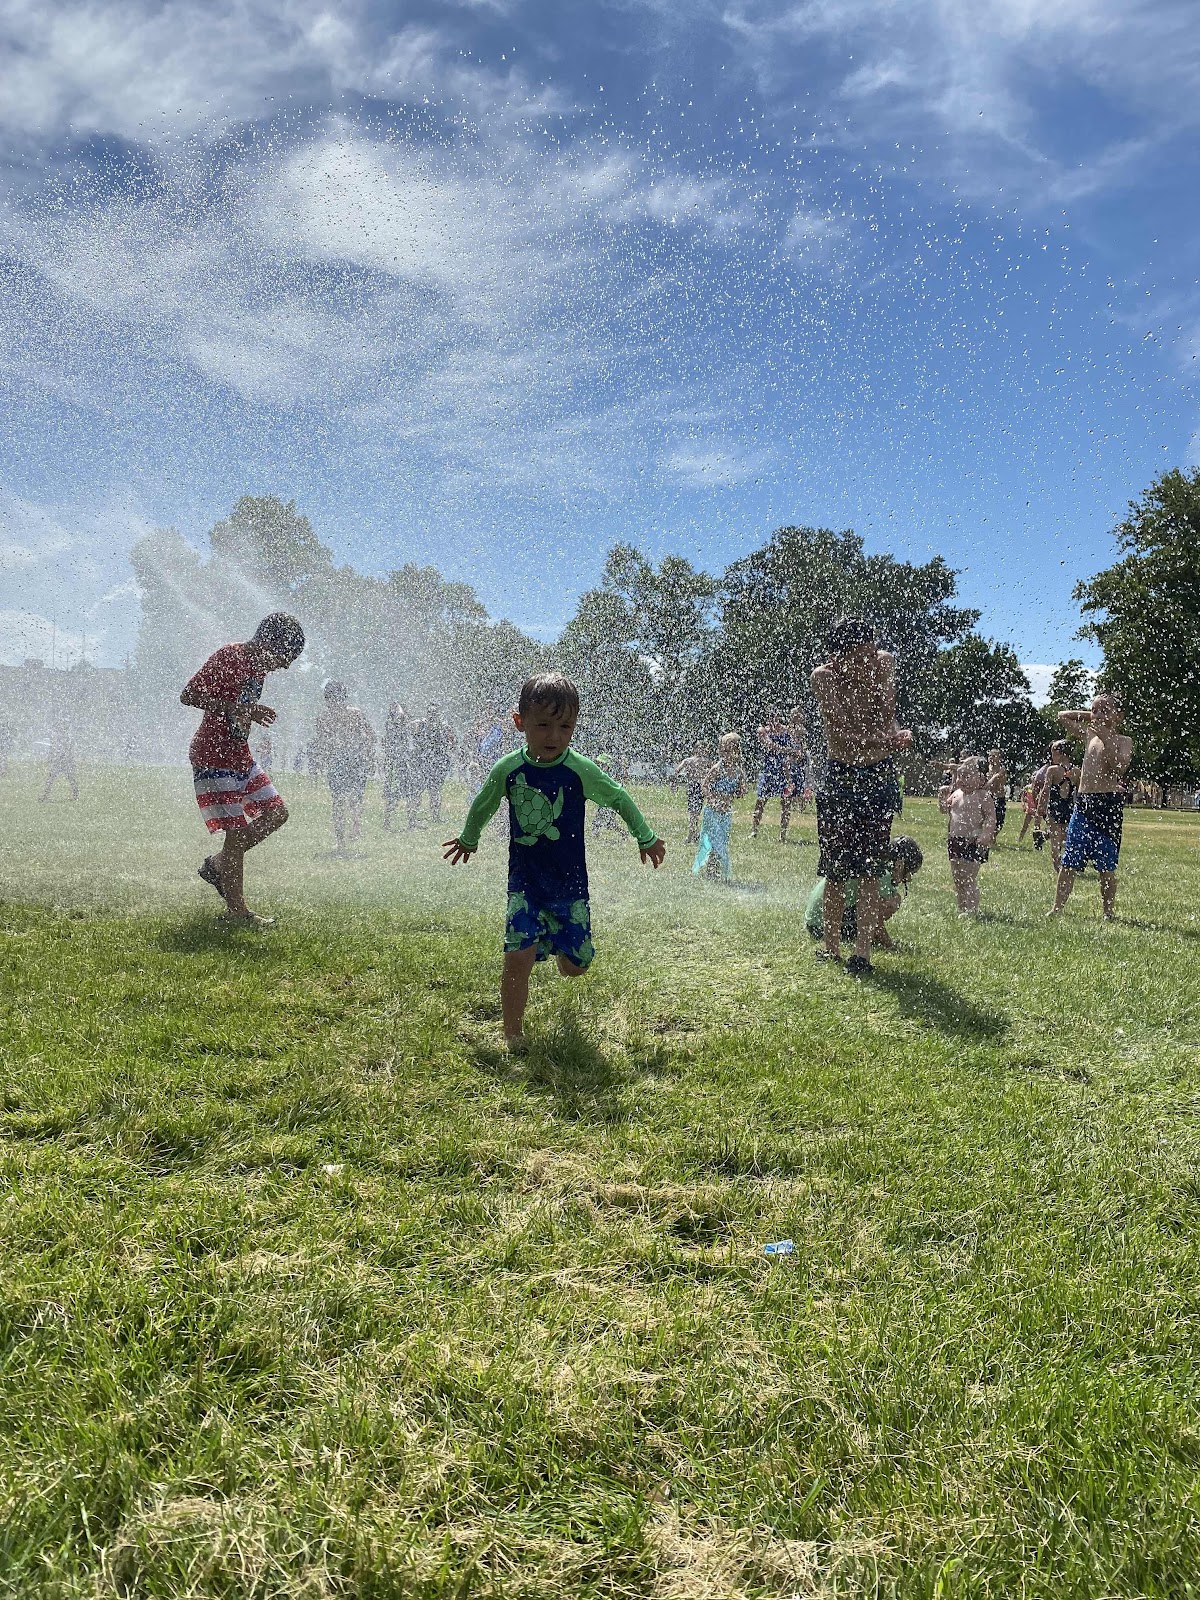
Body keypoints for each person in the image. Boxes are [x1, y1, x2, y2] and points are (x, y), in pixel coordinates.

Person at [442, 673, 665, 1051]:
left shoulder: (579, 769)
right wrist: (469, 838)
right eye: (543, 725)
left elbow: (618, 797)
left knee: (576, 968)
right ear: (520, 722)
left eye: (565, 727)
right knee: (517, 959)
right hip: (525, 884)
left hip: (569, 886)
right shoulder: (508, 769)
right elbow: (484, 803)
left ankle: (561, 947)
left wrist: (644, 836)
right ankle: (513, 1034)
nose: (554, 736)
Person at [181, 612, 304, 925]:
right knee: (235, 835)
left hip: (239, 755)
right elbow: (189, 695)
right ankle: (238, 913)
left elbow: (240, 708)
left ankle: (219, 864)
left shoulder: (257, 667)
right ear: (268, 643)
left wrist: (247, 713)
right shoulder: (229, 656)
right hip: (213, 757)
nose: (284, 666)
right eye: (284, 657)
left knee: (277, 813)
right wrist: (240, 709)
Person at [810, 617, 912, 975]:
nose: (867, 662)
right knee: (836, 868)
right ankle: (831, 947)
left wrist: (896, 733)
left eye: (871, 654)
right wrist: (886, 740)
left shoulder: (883, 664)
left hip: (879, 777)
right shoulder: (823, 677)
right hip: (841, 776)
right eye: (858, 657)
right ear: (837, 656)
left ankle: (862, 953)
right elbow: (841, 731)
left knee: (872, 868)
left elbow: (887, 715)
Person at [1048, 694, 1133, 922]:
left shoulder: (1123, 740)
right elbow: (1062, 716)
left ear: (1119, 716)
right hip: (1084, 803)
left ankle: (1108, 912)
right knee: (1069, 861)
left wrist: (1107, 732)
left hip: (1108, 806)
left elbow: (1119, 767)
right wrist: (1094, 717)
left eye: (1105, 710)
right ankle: (1057, 908)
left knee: (1106, 866)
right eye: (1095, 709)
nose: (1098, 714)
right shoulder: (1089, 735)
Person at [805, 836, 923, 951]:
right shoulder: (883, 875)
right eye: (910, 872)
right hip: (821, 928)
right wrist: (889, 945)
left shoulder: (874, 865)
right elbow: (875, 918)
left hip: (815, 924)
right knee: (893, 901)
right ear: (899, 865)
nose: (909, 879)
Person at [313, 681, 377, 855]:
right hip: (351, 760)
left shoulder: (327, 717)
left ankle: (347, 834)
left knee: (343, 801)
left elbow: (322, 743)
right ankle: (350, 832)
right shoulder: (353, 714)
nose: (333, 703)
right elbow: (371, 737)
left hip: (347, 760)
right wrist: (369, 756)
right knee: (346, 799)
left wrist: (322, 758)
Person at [939, 756, 997, 915]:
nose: (961, 780)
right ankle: (962, 908)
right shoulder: (956, 794)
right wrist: (942, 797)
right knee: (958, 878)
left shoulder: (983, 796)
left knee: (968, 877)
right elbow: (944, 810)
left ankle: (972, 910)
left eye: (966, 776)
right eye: (959, 775)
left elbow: (991, 817)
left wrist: (986, 834)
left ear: (981, 779)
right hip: (955, 841)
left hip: (974, 841)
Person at [692, 734, 747, 881]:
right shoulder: (718, 768)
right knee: (714, 842)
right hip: (712, 812)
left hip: (726, 814)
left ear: (737, 752)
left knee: (721, 842)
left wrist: (740, 791)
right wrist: (713, 801)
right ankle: (712, 871)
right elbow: (705, 786)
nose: (725, 755)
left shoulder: (738, 772)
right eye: (723, 751)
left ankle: (713, 869)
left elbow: (742, 789)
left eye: (729, 751)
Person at [751, 709, 798, 843]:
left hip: (784, 771)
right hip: (768, 770)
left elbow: (796, 746)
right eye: (770, 717)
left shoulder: (787, 730)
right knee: (761, 801)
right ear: (767, 718)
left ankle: (783, 835)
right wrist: (788, 750)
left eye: (775, 716)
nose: (773, 719)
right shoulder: (762, 730)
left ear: (779, 717)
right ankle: (754, 830)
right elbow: (769, 745)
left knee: (786, 802)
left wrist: (792, 755)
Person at [413, 704, 455, 824]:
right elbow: (415, 740)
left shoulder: (442, 727)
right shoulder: (422, 725)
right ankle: (414, 816)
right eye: (431, 713)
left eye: (434, 713)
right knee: (419, 791)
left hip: (437, 763)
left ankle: (435, 816)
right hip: (424, 762)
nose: (432, 716)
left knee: (435, 791)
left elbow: (451, 742)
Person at [381, 703, 418, 832]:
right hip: (397, 765)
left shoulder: (399, 726)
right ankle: (388, 822)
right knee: (395, 795)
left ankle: (410, 822)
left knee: (410, 795)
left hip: (402, 765)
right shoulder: (393, 726)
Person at [1042, 740, 1076, 871]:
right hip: (1069, 807)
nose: (1051, 756)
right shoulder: (1077, 771)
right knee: (1066, 836)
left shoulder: (1052, 770)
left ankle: (1057, 865)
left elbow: (1045, 790)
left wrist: (1041, 807)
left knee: (1054, 838)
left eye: (1053, 752)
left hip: (1055, 807)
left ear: (1061, 753)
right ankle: (1068, 862)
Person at [673, 743, 709, 845]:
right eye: (701, 748)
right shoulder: (692, 761)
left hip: (697, 787)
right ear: (696, 749)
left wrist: (674, 782)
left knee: (694, 813)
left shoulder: (698, 761)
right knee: (694, 813)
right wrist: (674, 782)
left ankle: (693, 835)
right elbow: (676, 771)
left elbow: (676, 771)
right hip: (695, 787)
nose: (702, 751)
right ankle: (692, 835)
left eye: (703, 749)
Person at [39, 723, 79, 802]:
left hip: (64, 762)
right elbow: (54, 749)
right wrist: (51, 757)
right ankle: (45, 796)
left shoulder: (66, 739)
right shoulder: (58, 738)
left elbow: (67, 750)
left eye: (58, 729)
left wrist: (65, 759)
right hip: (61, 762)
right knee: (52, 779)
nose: (57, 731)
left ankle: (75, 795)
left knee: (68, 779)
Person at [987, 750, 1008, 838]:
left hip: (999, 798)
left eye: (994, 756)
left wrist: (989, 782)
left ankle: (993, 837)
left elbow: (996, 778)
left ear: (1000, 759)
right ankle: (989, 837)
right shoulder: (986, 768)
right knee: (987, 819)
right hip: (988, 797)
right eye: (990, 756)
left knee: (999, 821)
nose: (991, 758)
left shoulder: (1002, 769)